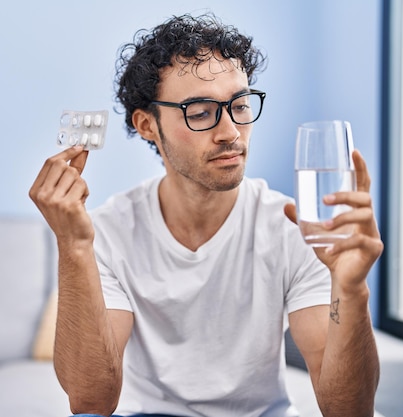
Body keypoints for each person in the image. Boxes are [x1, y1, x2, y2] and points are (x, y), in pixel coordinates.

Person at [29, 13, 383, 417]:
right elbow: (92, 401)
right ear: (147, 125)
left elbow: (346, 410)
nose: (231, 131)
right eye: (200, 112)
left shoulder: (295, 228)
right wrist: (73, 246)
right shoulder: (111, 232)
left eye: (240, 105)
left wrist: (351, 288)